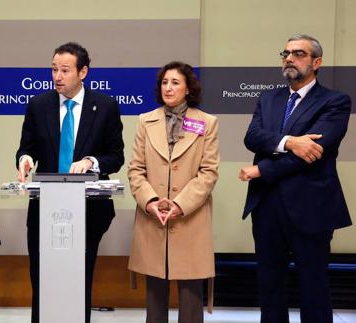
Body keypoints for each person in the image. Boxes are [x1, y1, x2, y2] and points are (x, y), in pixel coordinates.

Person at [239, 34, 352, 323]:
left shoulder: (335, 101)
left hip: (311, 206)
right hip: (267, 206)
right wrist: (290, 141)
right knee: (269, 285)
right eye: (286, 53)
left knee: (313, 287)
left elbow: (313, 152)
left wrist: (263, 170)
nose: (289, 58)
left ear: (316, 62)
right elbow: (253, 138)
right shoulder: (268, 98)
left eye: (298, 54)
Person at [16, 42, 124, 323]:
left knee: (79, 277)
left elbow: (116, 156)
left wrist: (91, 162)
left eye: (65, 70)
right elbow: (26, 147)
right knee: (41, 277)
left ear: (83, 72)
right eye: (54, 69)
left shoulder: (105, 106)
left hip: (89, 210)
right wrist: (25, 158)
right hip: (44, 209)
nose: (57, 76)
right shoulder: (39, 105)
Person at [128, 61, 219, 323]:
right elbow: (135, 170)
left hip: (190, 217)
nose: (168, 88)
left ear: (188, 88)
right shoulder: (146, 121)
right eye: (164, 82)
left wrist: (180, 204)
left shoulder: (207, 123)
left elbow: (208, 172)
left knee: (191, 296)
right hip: (153, 217)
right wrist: (151, 201)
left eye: (175, 82)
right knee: (155, 295)